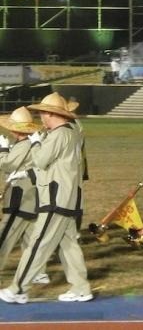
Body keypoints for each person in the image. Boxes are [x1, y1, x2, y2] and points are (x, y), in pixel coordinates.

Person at [0, 93, 92, 304]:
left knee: (38, 244)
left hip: (56, 198)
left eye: (42, 113)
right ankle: (81, 288)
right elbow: (57, 168)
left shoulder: (59, 134)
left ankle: (18, 289)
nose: (41, 117)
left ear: (51, 114)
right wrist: (26, 174)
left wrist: (36, 144)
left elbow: (41, 161)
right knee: (68, 245)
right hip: (68, 197)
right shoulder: (72, 132)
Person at [0, 107, 49, 285]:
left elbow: (6, 164)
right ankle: (38, 272)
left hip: (20, 197)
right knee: (30, 238)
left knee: (5, 235)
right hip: (32, 197)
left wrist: (3, 149)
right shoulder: (30, 143)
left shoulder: (23, 145)